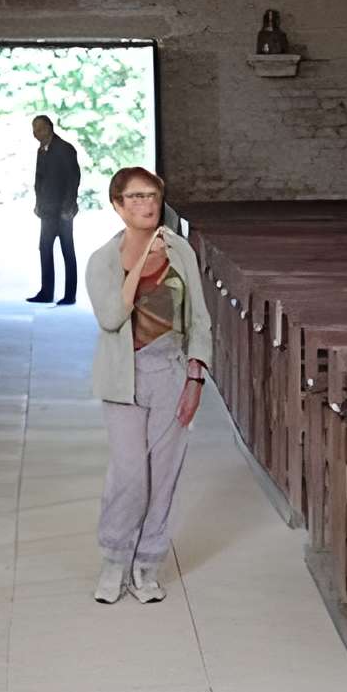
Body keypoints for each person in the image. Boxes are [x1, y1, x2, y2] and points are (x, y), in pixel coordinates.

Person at [83, 167, 213, 604]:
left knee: (164, 475)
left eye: (152, 195)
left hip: (171, 372)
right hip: (123, 377)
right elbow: (111, 318)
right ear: (117, 205)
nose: (146, 204)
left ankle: (147, 563)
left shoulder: (182, 252)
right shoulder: (103, 259)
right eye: (135, 197)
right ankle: (115, 558)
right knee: (130, 473)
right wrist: (142, 259)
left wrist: (195, 378)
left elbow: (199, 319)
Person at [30, 115, 81, 303]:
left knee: (67, 250)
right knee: (44, 248)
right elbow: (39, 180)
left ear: (50, 128)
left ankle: (70, 295)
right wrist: (38, 203)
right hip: (47, 210)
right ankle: (46, 292)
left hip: (63, 211)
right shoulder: (42, 150)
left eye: (40, 129)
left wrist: (68, 207)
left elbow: (73, 179)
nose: (36, 133)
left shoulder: (65, 149)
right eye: (34, 129)